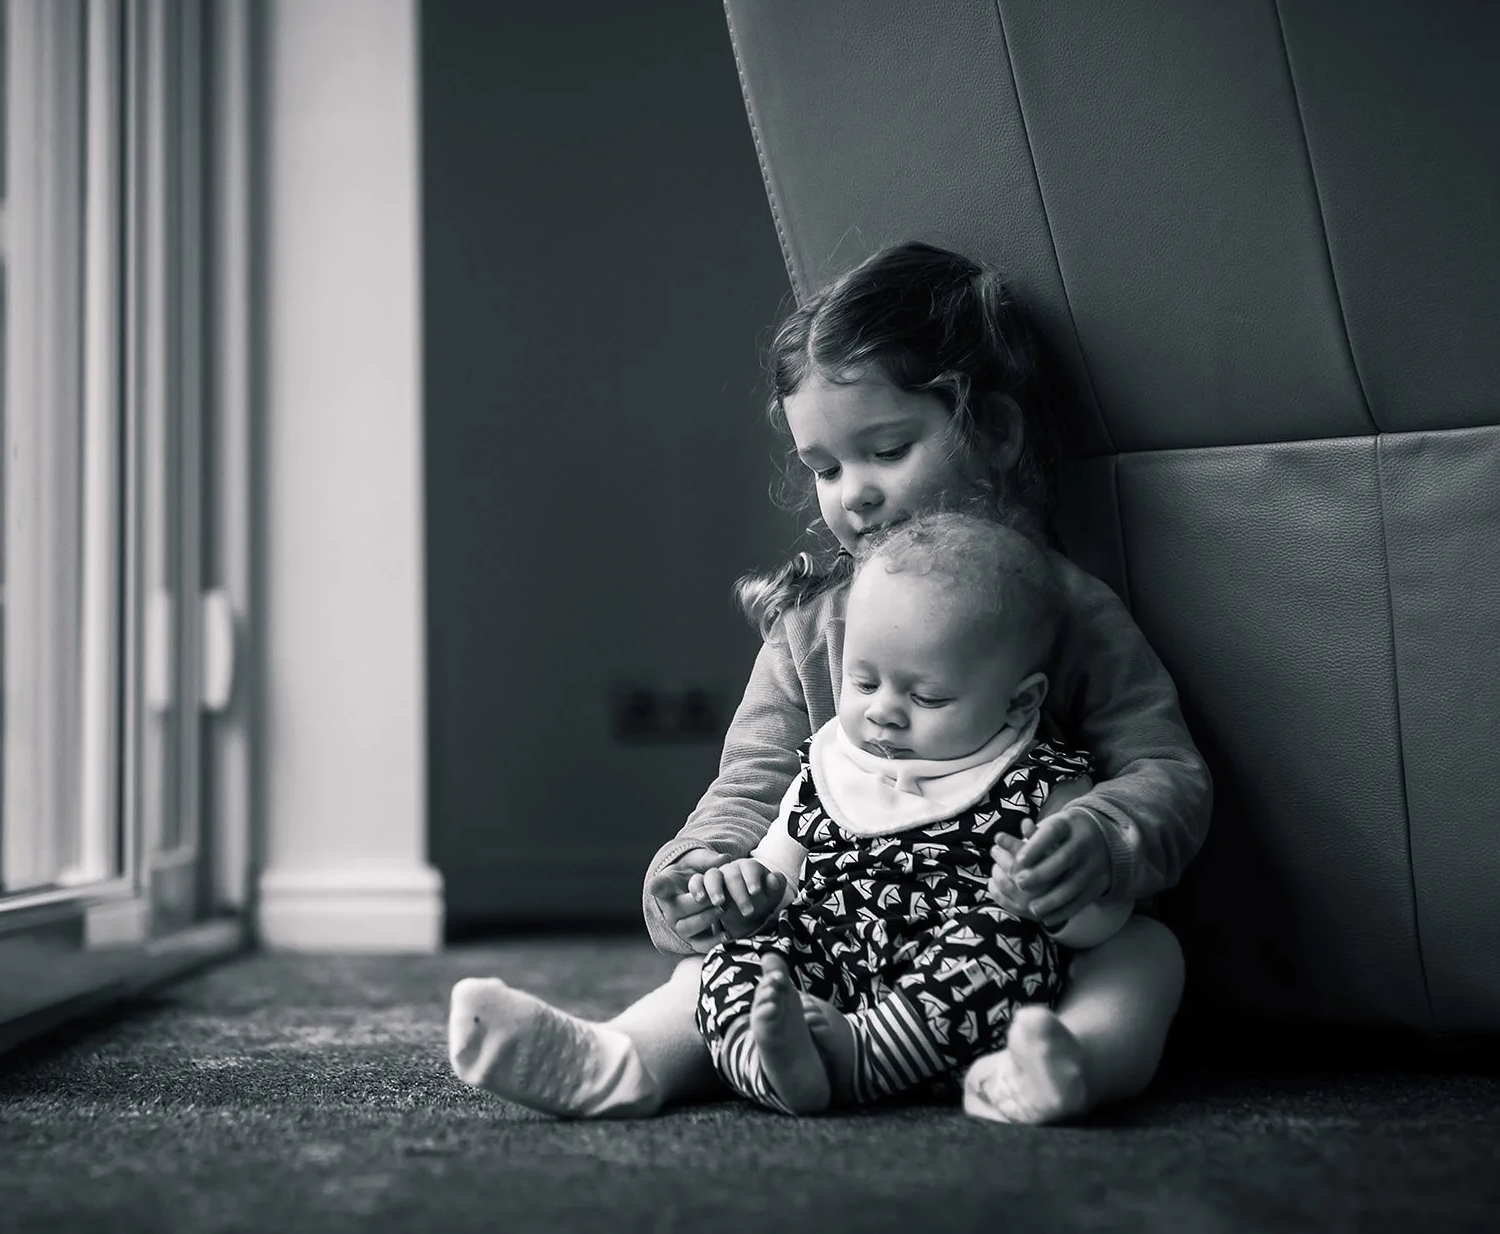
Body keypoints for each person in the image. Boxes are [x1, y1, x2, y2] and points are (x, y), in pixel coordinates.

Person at [448, 241, 1211, 1124]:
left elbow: (1166, 770)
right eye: (826, 468)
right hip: (830, 955)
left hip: (1015, 953)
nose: (855, 494)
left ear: (995, 432)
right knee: (709, 973)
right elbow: (752, 782)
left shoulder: (1070, 614)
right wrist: (701, 876)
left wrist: (1103, 839)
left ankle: (1063, 1063)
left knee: (1148, 957)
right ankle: (619, 1059)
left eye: (887, 449)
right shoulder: (810, 630)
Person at [696, 510, 1132, 1116]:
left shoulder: (1042, 781)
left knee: (1006, 942)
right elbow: (779, 870)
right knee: (731, 962)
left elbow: (1101, 923)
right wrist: (750, 890)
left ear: (1021, 700)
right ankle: (769, 1062)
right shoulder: (829, 767)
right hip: (827, 969)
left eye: (926, 696)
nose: (884, 713)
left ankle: (861, 1059)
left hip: (944, 997)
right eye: (863, 682)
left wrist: (1048, 901)